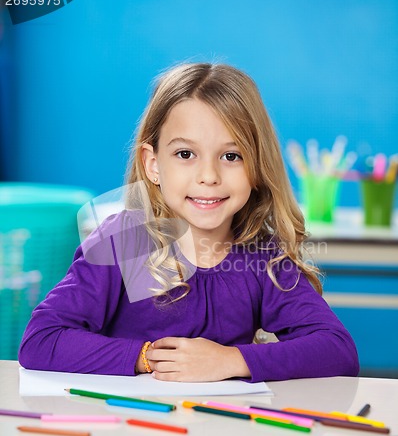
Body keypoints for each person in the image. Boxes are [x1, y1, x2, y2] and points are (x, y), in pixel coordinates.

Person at [18, 63, 359, 382]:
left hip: (223, 433)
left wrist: (230, 360)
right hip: (130, 432)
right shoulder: (126, 242)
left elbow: (337, 351)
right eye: (185, 154)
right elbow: (42, 341)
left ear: (256, 168)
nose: (208, 176)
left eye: (231, 156)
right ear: (153, 164)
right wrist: (147, 357)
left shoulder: (262, 257)